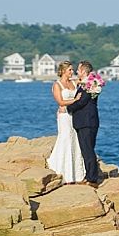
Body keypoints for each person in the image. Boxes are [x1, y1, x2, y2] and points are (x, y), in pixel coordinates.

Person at [45, 61, 85, 184]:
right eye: (69, 70)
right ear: (63, 71)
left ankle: (76, 173)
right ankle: (62, 170)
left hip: (74, 115)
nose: (71, 72)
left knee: (75, 140)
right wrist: (75, 100)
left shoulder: (73, 82)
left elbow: (86, 80)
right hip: (64, 116)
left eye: (72, 70)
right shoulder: (57, 85)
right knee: (65, 138)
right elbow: (61, 102)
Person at [66, 60, 102, 188]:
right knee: (86, 149)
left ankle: (92, 179)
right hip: (84, 121)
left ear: (84, 71)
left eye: (79, 69)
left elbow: (82, 101)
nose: (76, 71)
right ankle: (89, 176)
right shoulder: (86, 83)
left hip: (87, 121)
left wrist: (67, 108)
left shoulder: (90, 84)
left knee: (88, 150)